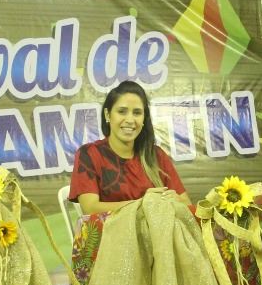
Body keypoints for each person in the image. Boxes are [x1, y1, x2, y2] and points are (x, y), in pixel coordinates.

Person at [69, 80, 189, 214]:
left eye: (137, 113)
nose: (130, 120)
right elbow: (90, 208)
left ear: (144, 119)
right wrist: (143, 204)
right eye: (122, 111)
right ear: (108, 114)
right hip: (110, 228)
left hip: (156, 228)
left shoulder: (156, 155)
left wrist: (176, 200)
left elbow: (187, 204)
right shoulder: (89, 154)